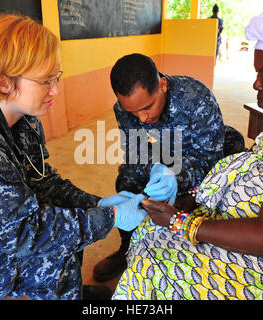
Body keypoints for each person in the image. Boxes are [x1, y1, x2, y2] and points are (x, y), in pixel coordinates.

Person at [113, 0, 263, 300]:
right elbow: (137, 152)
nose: (256, 84)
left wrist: (181, 214)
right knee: (133, 190)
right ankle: (124, 248)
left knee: (155, 258)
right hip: (209, 199)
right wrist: (177, 195)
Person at [0, 14, 149, 300]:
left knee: (68, 227)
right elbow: (22, 233)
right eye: (46, 81)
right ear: (5, 83)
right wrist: (111, 216)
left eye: (55, 77)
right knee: (54, 246)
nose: (55, 89)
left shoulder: (23, 117)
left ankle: (70, 293)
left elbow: (42, 182)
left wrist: (96, 203)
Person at [93, 53, 245, 282]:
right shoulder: (124, 108)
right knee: (128, 178)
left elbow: (210, 160)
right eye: (134, 112)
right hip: (169, 150)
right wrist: (156, 167)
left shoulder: (197, 97)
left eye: (147, 107)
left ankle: (194, 247)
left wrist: (175, 175)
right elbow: (136, 152)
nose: (142, 118)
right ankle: (127, 249)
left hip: (209, 150)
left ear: (162, 85)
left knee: (210, 192)